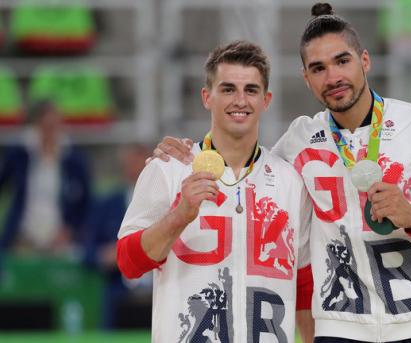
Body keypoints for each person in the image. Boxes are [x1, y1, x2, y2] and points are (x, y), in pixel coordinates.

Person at [152, 3, 411, 342]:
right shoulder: (299, 141)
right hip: (339, 329)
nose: (333, 77)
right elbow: (245, 164)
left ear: (364, 61)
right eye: (318, 68)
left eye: (342, 61)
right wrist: (187, 153)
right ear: (306, 79)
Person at [115, 41, 314, 343]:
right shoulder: (168, 169)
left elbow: (304, 287)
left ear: (266, 100)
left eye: (251, 90)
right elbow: (129, 263)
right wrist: (179, 216)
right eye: (228, 89)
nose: (240, 100)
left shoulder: (290, 181)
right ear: (207, 97)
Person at [0, 99, 91, 255]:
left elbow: (86, 202)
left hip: (60, 240)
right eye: (45, 126)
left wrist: (70, 230)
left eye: (54, 126)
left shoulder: (74, 158)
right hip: (23, 238)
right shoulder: (20, 153)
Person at [83, 143, 153, 329]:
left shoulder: (169, 201)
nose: (135, 168)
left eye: (140, 163)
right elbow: (87, 253)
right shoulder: (106, 204)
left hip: (159, 293)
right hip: (119, 296)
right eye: (130, 163)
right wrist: (105, 255)